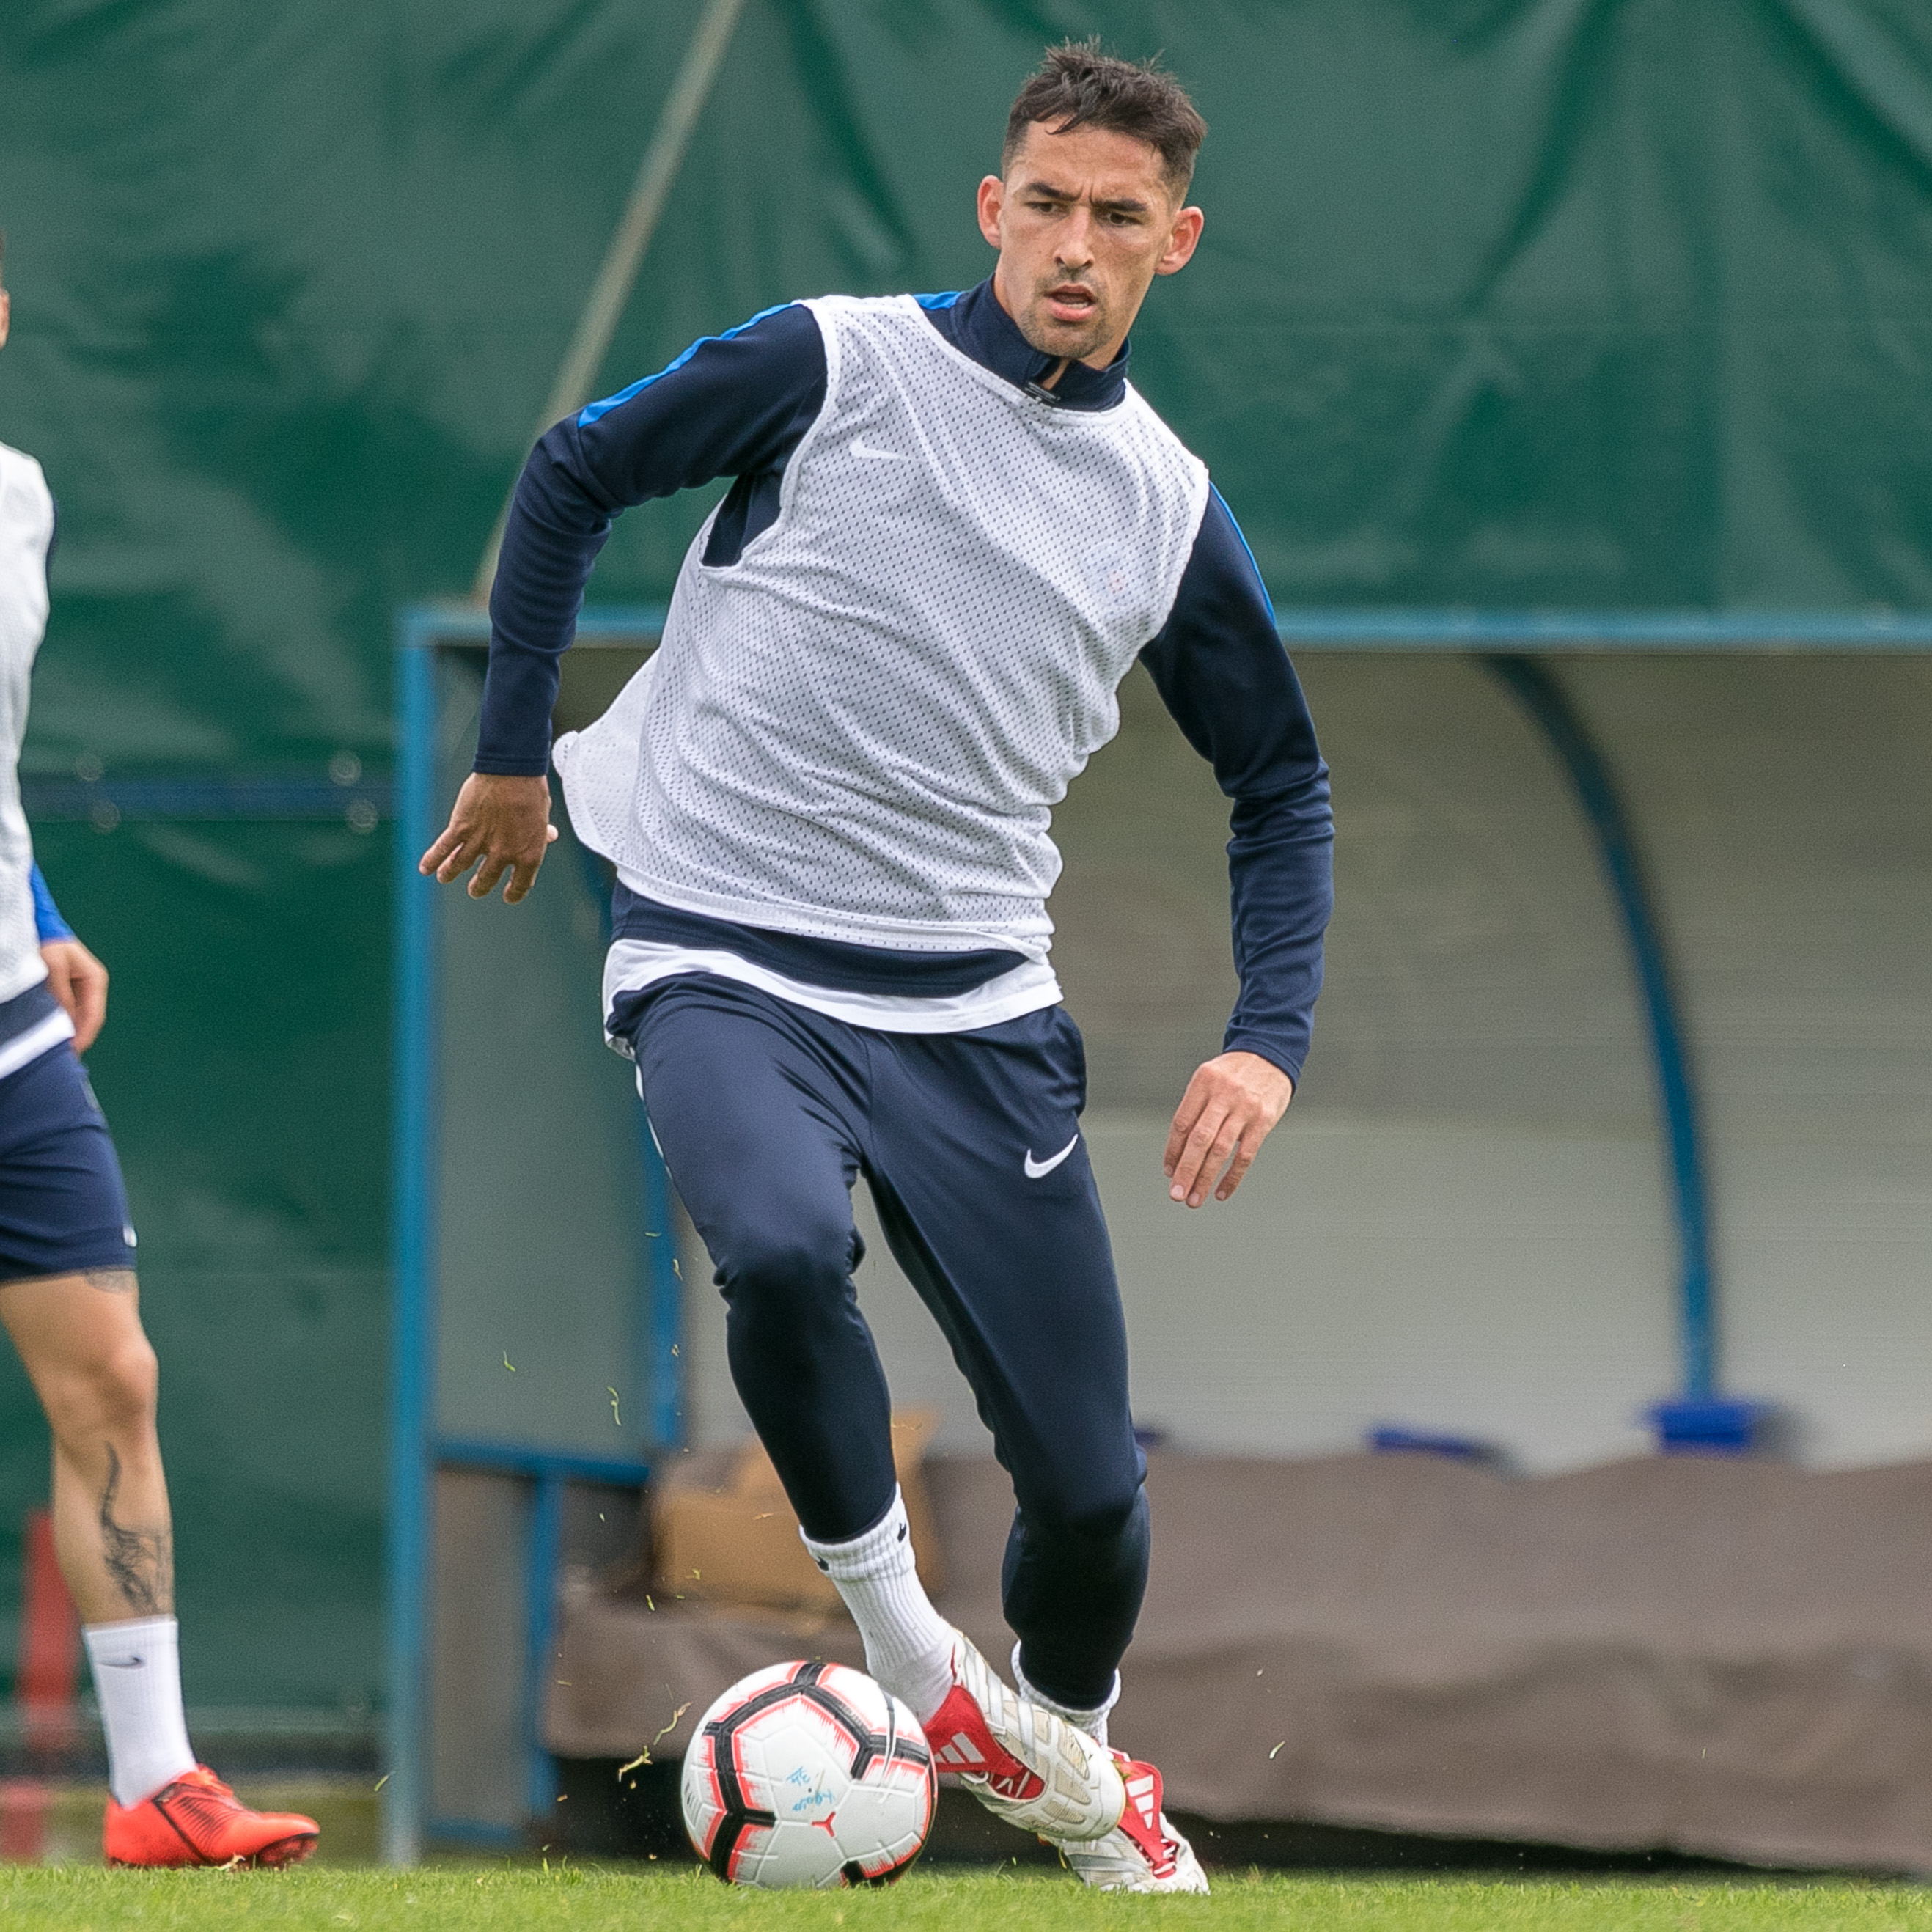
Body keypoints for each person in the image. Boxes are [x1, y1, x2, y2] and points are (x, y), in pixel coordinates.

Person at [424, 42, 1332, 1892]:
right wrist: (513, 754)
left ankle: (1066, 1771)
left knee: (1090, 1493)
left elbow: (1282, 783)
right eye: (1046, 205)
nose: (1074, 244)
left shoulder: (1165, 504)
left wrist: (1267, 1036)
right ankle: (912, 1655)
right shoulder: (831, 363)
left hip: (971, 1009)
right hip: (718, 937)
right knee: (774, 1247)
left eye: (1119, 218)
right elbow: (573, 472)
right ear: (993, 207)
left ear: (1175, 242)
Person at [0, 237, 318, 1869]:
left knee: (113, 1377)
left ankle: (156, 1786)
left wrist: (43, 907)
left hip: (7, 1021)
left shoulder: (21, 499)